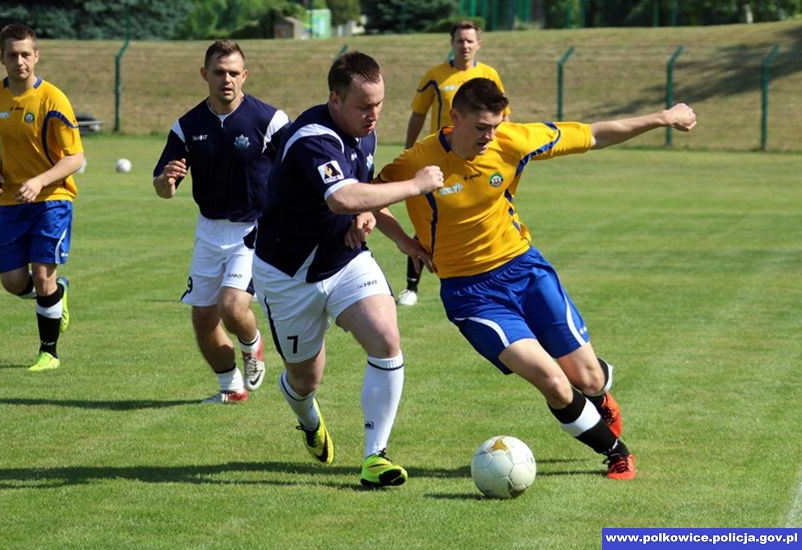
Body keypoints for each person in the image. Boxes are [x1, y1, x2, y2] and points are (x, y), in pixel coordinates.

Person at [375, 77, 698, 480]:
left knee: (588, 378)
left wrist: (662, 117)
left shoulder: (512, 141)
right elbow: (371, 197)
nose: (489, 138)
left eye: (495, 126)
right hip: (470, 294)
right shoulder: (417, 161)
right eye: (480, 128)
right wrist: (405, 241)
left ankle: (598, 391)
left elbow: (594, 135)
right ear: (454, 117)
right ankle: (616, 452)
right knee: (552, 380)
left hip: (525, 271)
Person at [252, 52, 443, 488]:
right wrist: (415, 185)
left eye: (378, 104)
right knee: (305, 377)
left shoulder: (363, 132)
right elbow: (341, 198)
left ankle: (375, 457)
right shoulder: (312, 137)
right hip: (288, 276)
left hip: (344, 260)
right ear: (334, 99)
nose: (373, 115)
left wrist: (399, 238)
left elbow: (364, 193)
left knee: (386, 338)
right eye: (363, 106)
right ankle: (305, 414)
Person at [153, 40, 289, 404]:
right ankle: (230, 387)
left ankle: (252, 343)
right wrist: (166, 182)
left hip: (255, 230)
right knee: (202, 319)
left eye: (233, 73)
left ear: (244, 76)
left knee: (232, 307)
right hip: (209, 231)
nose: (226, 79)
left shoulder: (270, 121)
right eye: (218, 72)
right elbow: (163, 188)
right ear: (205, 75)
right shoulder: (187, 126)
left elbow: (296, 170)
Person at [0, 23, 84, 372]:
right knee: (12, 282)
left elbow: (75, 158)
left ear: (36, 56)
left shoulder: (53, 99)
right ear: (1, 58)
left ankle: (48, 352)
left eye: (26, 54)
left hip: (52, 198)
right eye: (12, 54)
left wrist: (39, 181)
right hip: (10, 201)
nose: (19, 61)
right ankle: (56, 293)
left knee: (41, 275)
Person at [399, 20, 510, 307]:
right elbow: (418, 114)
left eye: (470, 41)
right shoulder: (435, 75)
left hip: (479, 161)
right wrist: (410, 149)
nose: (465, 46)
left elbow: (503, 117)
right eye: (460, 40)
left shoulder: (489, 75)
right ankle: (411, 287)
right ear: (452, 43)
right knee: (427, 221)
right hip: (440, 161)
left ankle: (486, 278)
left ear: (479, 44)